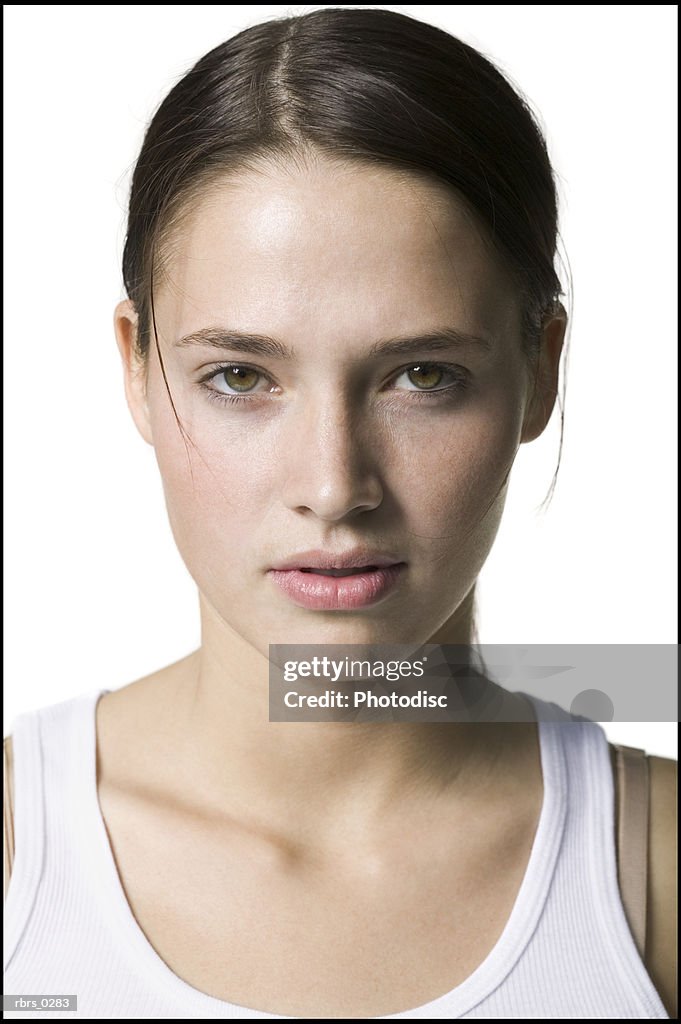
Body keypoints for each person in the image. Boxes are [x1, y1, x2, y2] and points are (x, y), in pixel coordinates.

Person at [3, 7, 676, 1019]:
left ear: (539, 373)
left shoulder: (657, 871)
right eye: (240, 375)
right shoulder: (18, 846)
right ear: (136, 370)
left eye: (421, 374)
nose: (334, 483)